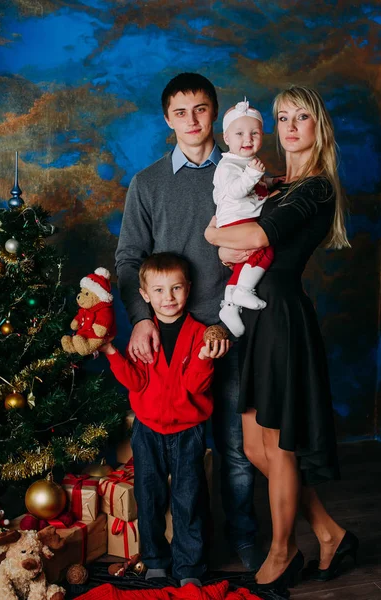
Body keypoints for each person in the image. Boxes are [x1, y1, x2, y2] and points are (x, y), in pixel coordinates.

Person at [204, 85, 357, 594]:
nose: (290, 127)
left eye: (302, 118)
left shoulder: (315, 188)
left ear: (318, 128)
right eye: (283, 117)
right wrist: (227, 238)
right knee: (255, 446)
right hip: (257, 319)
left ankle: (282, 550)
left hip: (283, 318)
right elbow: (232, 227)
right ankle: (330, 532)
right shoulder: (275, 186)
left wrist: (214, 237)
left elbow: (251, 238)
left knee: (280, 446)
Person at [115, 73, 262, 571]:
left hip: (230, 329)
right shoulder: (148, 183)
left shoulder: (241, 176)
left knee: (237, 448)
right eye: (181, 112)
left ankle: (242, 538)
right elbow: (129, 258)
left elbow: (262, 247)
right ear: (167, 119)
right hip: (170, 338)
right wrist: (139, 319)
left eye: (201, 110)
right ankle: (171, 553)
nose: (192, 120)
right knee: (170, 455)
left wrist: (229, 318)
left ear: (215, 114)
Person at [100, 252, 229, 586]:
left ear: (188, 289)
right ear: (145, 294)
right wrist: (112, 352)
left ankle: (190, 568)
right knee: (149, 495)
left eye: (176, 288)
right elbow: (136, 381)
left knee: (189, 500)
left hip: (188, 431)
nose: (168, 298)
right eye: (158, 290)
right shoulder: (143, 334)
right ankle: (155, 559)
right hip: (148, 430)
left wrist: (203, 357)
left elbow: (194, 386)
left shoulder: (201, 333)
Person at [213, 98, 279, 338]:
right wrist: (253, 174)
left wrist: (270, 181)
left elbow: (256, 186)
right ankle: (244, 289)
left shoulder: (245, 163)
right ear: (226, 138)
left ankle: (229, 305)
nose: (247, 139)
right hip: (236, 220)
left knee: (242, 263)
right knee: (264, 250)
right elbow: (236, 190)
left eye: (254, 133)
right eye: (239, 133)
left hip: (241, 219)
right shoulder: (228, 166)